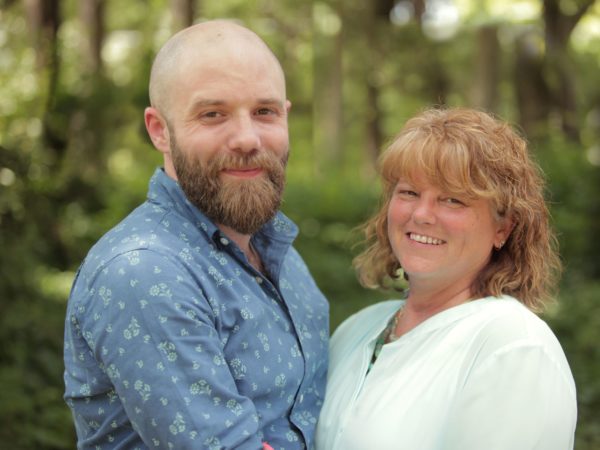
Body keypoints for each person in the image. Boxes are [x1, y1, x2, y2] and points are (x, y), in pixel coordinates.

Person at [63, 20, 329, 450]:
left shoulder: (277, 251)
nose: (247, 138)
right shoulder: (145, 272)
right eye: (213, 114)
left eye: (265, 111)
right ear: (159, 130)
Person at [315, 107, 577, 450]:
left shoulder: (514, 348)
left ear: (503, 228)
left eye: (452, 200)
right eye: (409, 192)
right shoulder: (356, 330)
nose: (421, 214)